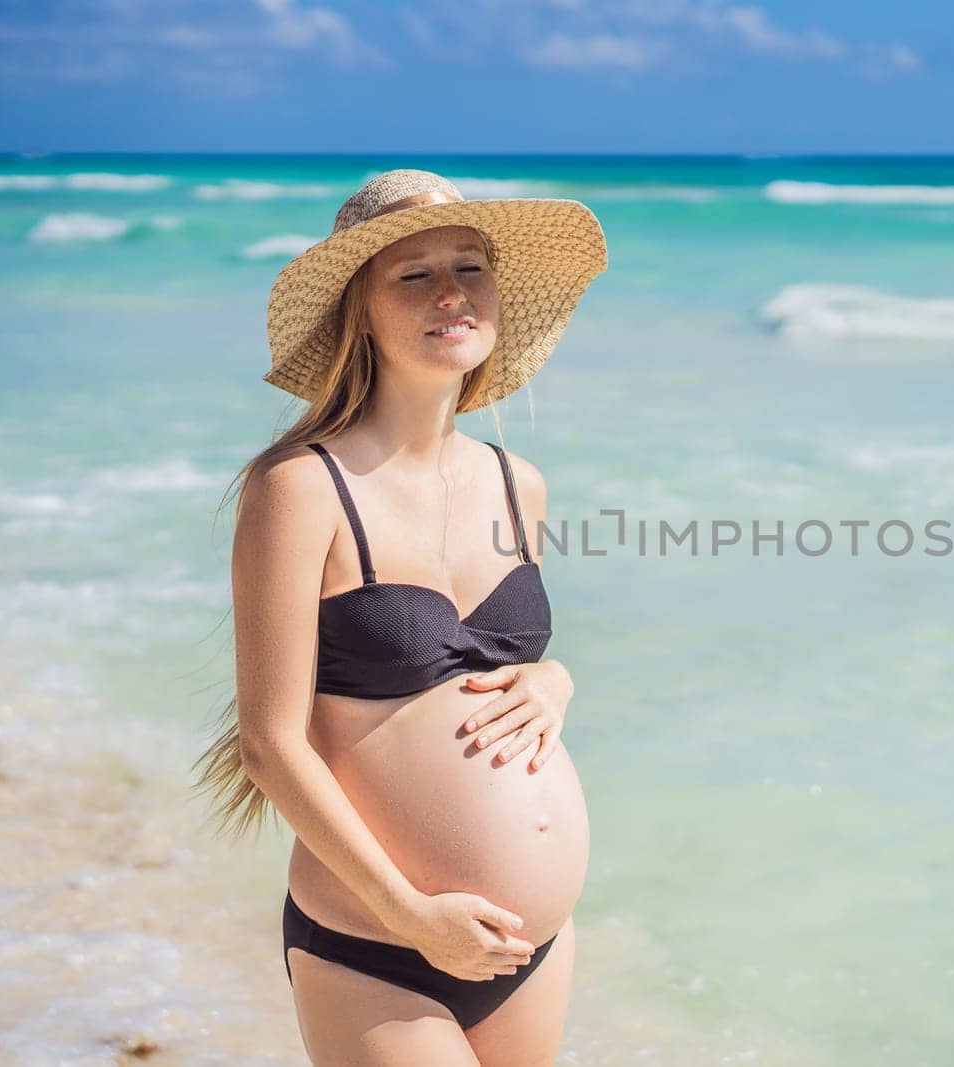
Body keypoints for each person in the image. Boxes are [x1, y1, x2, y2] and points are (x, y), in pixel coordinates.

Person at [190, 169, 608, 1065]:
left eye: (471, 266)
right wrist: (410, 913)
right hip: (379, 944)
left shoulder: (516, 482)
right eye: (413, 274)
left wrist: (556, 677)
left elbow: (489, 668)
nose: (452, 292)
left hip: (528, 946)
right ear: (360, 310)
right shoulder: (303, 487)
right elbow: (270, 744)